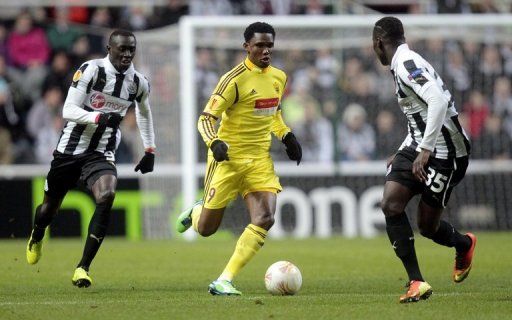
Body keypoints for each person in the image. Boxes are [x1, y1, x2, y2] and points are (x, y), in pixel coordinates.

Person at [176, 22, 302, 296]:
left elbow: (274, 113)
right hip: (229, 160)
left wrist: (286, 135)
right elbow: (206, 118)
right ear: (247, 47)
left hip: (259, 160)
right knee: (206, 229)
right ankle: (198, 210)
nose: (265, 50)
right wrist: (214, 141)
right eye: (259, 45)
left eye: (269, 45)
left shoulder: (279, 77)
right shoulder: (233, 79)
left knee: (266, 217)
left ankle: (224, 279)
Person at [25, 30, 156, 288]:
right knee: (48, 209)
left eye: (132, 49)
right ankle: (37, 234)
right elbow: (68, 109)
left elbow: (144, 113)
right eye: (122, 49)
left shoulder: (137, 82)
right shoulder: (91, 70)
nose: (127, 54)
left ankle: (82, 268)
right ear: (109, 48)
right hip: (69, 150)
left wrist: (149, 149)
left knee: (107, 195)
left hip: (101, 152)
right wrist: (98, 117)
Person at [372, 17, 476, 303]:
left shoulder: (406, 65)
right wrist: (408, 148)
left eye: (374, 46)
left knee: (427, 227)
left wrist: (426, 149)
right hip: (420, 144)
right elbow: (416, 115)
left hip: (448, 153)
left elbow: (438, 102)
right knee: (390, 204)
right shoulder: (403, 64)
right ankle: (416, 281)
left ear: (378, 43)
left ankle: (464, 244)